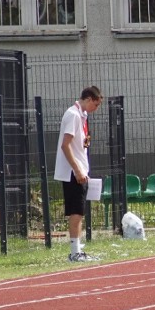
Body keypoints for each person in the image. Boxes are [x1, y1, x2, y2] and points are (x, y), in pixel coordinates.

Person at [53, 86, 103, 262]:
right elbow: (65, 145)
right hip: (73, 173)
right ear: (88, 99)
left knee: (79, 211)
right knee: (76, 211)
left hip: (80, 169)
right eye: (95, 104)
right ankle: (74, 252)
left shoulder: (82, 115)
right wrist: (77, 169)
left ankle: (78, 249)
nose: (96, 108)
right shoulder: (73, 115)